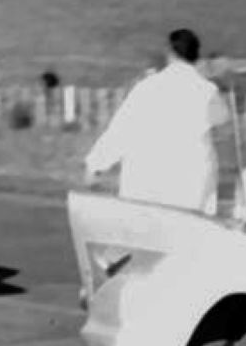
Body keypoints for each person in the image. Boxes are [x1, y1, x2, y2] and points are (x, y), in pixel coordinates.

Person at [84, 29, 229, 214]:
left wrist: (95, 165)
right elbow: (223, 118)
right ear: (195, 55)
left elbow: (121, 131)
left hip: (148, 183)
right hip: (193, 183)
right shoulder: (206, 89)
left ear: (170, 52)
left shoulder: (148, 87)